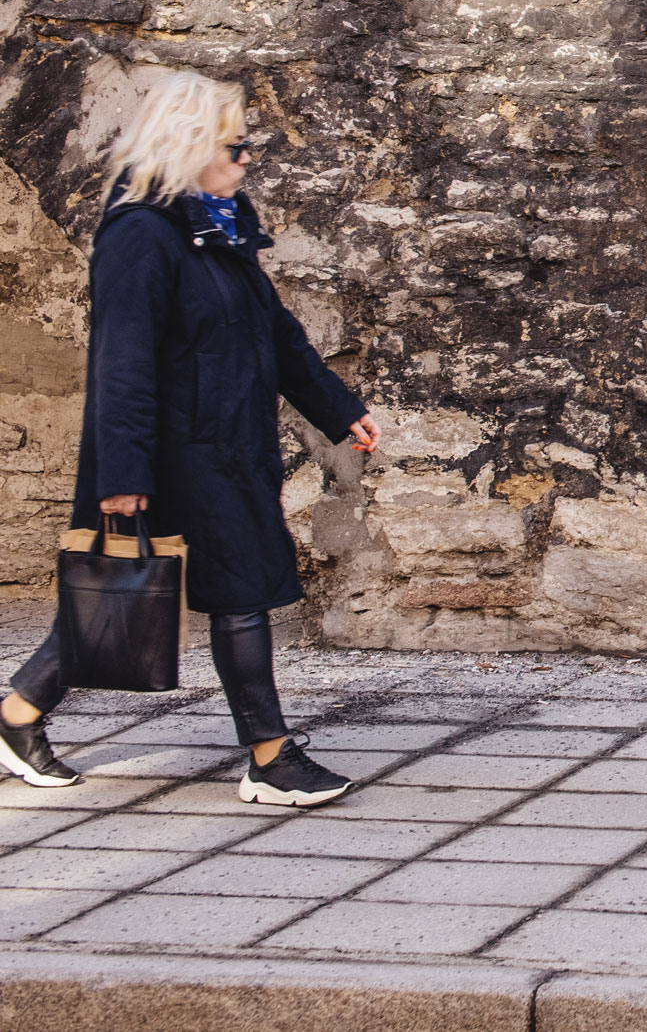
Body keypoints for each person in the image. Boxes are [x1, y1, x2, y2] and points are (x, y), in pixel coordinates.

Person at [0, 71, 382, 806]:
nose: (247, 159)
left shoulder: (221, 222)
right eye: (234, 146)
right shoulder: (139, 235)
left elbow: (274, 329)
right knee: (189, 591)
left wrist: (336, 408)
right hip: (168, 453)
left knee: (163, 593)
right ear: (189, 145)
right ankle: (270, 758)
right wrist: (121, 475)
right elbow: (121, 365)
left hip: (226, 445)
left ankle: (17, 715)